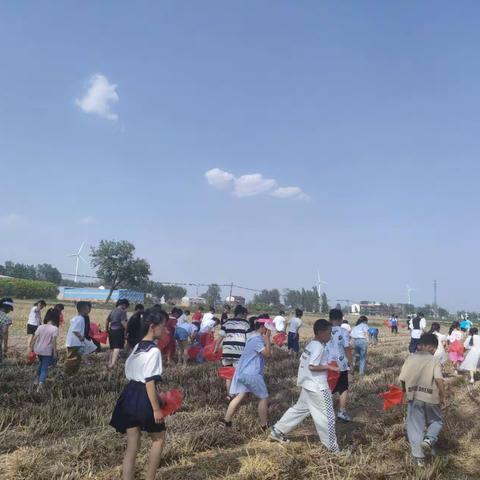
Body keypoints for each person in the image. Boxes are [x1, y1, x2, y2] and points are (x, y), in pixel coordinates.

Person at [110, 308, 168, 480]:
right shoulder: (154, 351)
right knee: (158, 439)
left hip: (129, 395)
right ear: (152, 327)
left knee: (132, 445)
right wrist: (157, 409)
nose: (166, 330)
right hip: (143, 396)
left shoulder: (136, 347)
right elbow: (150, 383)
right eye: (163, 326)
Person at [271, 319, 340, 452]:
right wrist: (330, 367)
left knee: (299, 409)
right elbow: (313, 366)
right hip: (318, 386)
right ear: (321, 333)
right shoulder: (319, 347)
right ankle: (333, 450)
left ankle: (277, 430)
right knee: (327, 417)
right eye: (329, 333)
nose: (331, 336)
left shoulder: (311, 345)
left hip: (307, 384)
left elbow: (305, 362)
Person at [399, 333, 446, 467]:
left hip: (414, 397)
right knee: (436, 421)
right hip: (431, 398)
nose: (434, 350)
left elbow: (402, 379)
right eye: (435, 348)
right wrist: (443, 395)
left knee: (415, 427)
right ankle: (429, 439)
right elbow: (438, 379)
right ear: (431, 347)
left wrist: (404, 394)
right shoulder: (434, 360)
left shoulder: (410, 358)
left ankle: (419, 458)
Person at [223, 317, 271, 429]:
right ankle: (264, 425)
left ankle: (226, 421)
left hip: (243, 372)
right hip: (251, 373)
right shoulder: (257, 340)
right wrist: (268, 339)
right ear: (263, 327)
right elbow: (267, 354)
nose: (269, 331)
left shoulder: (253, 337)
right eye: (268, 329)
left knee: (240, 396)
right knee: (263, 397)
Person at [215, 305, 252, 399]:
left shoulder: (227, 322)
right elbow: (249, 339)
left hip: (227, 352)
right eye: (246, 314)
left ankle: (229, 395)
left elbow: (220, 337)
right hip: (239, 353)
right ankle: (237, 395)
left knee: (228, 374)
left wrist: (216, 348)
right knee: (238, 374)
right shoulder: (246, 323)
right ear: (243, 314)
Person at [327, 308, 353, 421]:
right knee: (343, 388)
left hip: (327, 364)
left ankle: (327, 413)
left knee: (327, 388)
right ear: (341, 319)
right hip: (341, 364)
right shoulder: (343, 332)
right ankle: (342, 412)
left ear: (330, 318)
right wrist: (351, 364)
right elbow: (347, 349)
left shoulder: (324, 330)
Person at [30, 307, 59, 390]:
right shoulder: (55, 329)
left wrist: (31, 349)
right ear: (56, 319)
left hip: (38, 350)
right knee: (44, 368)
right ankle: (40, 384)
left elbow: (34, 338)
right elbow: (54, 342)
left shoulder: (40, 327)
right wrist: (55, 353)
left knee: (41, 364)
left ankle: (36, 380)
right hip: (47, 351)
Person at [65, 301, 92, 376]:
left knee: (77, 359)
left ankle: (72, 374)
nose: (89, 309)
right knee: (73, 359)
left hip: (74, 343)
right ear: (83, 309)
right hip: (75, 343)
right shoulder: (80, 319)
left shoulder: (77, 318)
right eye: (88, 308)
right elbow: (75, 330)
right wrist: (81, 337)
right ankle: (68, 374)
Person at [106, 299, 130, 369]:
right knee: (117, 348)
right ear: (124, 305)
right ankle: (113, 364)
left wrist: (107, 329)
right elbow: (123, 322)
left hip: (111, 330)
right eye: (126, 306)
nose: (126, 308)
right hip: (118, 331)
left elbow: (107, 321)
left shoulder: (113, 310)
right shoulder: (123, 312)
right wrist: (126, 331)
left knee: (112, 348)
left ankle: (109, 362)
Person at [0, 298, 14, 362]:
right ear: (7, 308)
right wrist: (5, 346)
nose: (10, 311)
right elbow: (5, 332)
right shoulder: (6, 318)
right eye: (10, 309)